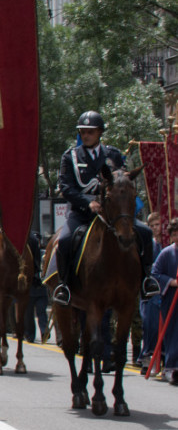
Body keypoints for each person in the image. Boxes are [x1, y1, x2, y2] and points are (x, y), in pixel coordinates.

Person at [53, 110, 159, 305]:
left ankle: (147, 280)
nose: (86, 135)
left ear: (99, 132)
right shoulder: (70, 157)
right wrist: (87, 202)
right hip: (82, 213)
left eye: (90, 132)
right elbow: (66, 188)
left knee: (144, 232)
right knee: (65, 240)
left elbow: (122, 182)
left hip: (113, 213)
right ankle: (64, 286)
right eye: (83, 132)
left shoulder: (113, 155)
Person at [151, 218, 178, 384]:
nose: (177, 237)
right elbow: (155, 273)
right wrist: (172, 282)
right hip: (171, 298)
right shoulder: (167, 253)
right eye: (175, 234)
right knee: (173, 332)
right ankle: (171, 367)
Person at [140, 213, 165, 369]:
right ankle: (147, 357)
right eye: (153, 226)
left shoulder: (167, 244)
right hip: (150, 290)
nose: (156, 229)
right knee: (150, 324)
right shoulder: (146, 244)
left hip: (166, 289)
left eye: (158, 225)